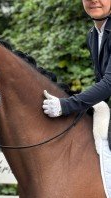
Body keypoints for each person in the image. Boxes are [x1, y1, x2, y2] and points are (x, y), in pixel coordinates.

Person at [42, 0, 111, 149]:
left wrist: (65, 105)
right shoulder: (93, 35)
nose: (93, 0)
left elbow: (109, 84)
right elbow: (102, 87)